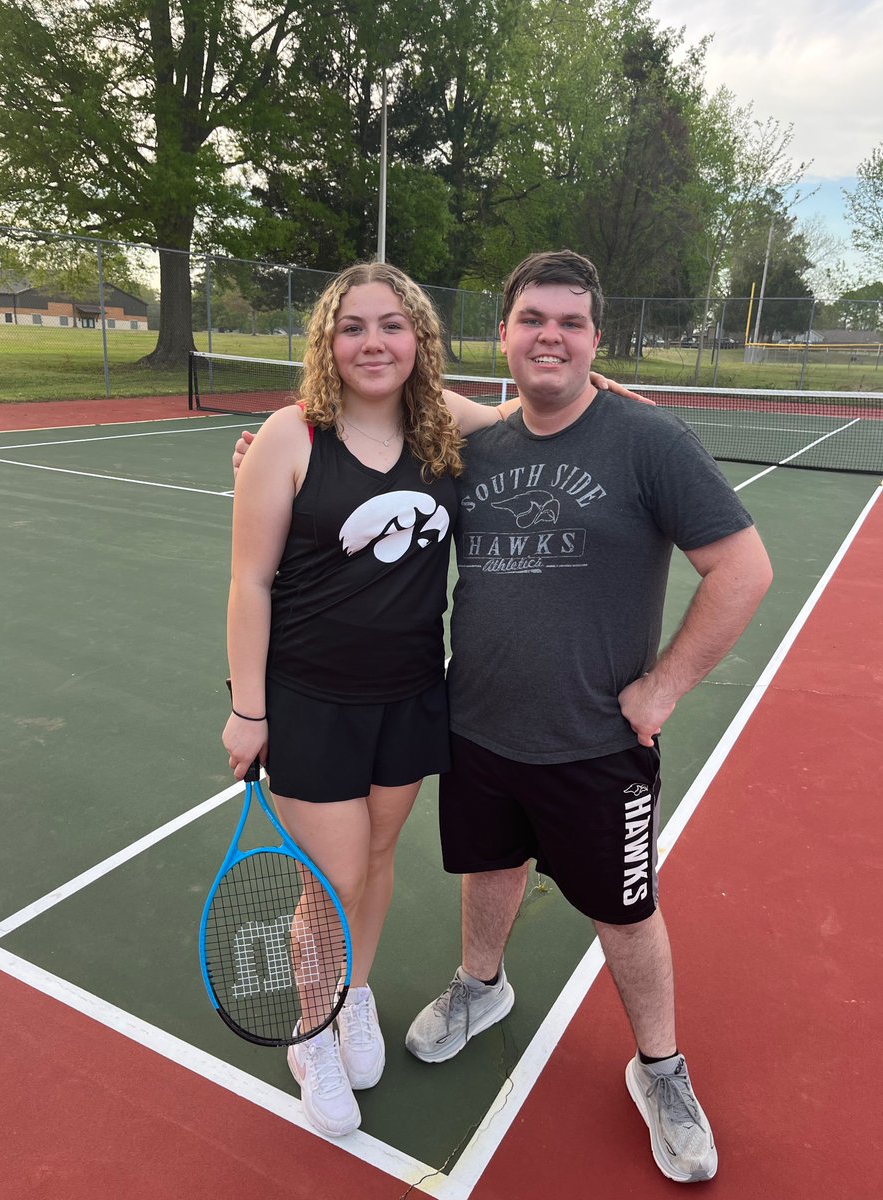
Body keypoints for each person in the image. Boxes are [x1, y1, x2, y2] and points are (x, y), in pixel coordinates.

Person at [223, 259, 643, 1139]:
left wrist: (591, 387)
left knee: (374, 863)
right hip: (310, 701)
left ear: (420, 338)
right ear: (327, 342)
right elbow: (250, 581)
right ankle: (313, 1033)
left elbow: (534, 421)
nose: (373, 343)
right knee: (329, 879)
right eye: (352, 327)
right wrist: (249, 708)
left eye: (391, 325)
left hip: (412, 695)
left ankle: (354, 995)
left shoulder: (447, 425)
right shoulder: (289, 436)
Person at [400, 250, 773, 1184]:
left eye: (569, 322)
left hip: (597, 746)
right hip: (480, 729)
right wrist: (278, 440)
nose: (550, 336)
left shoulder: (647, 441)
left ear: (595, 338)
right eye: (532, 319)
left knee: (625, 912)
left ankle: (661, 1070)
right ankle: (478, 989)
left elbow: (744, 569)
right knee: (489, 868)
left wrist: (666, 687)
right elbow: (399, 405)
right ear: (507, 335)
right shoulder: (479, 448)